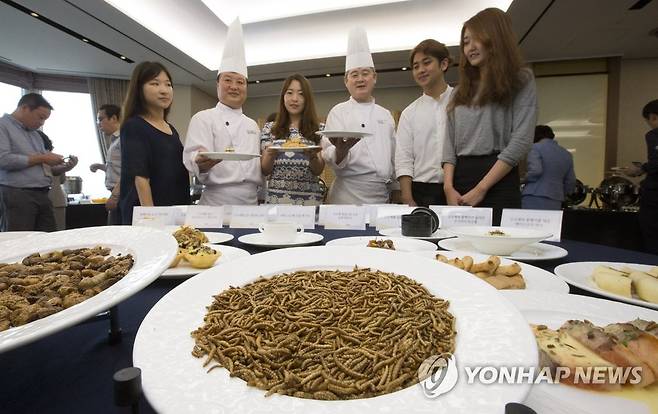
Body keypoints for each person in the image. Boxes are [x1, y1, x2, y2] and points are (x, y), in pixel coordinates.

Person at [442, 8, 537, 225]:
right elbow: (448, 145)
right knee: (455, 249)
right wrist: (448, 187)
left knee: (499, 249)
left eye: (477, 39)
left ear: (495, 38)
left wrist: (482, 187)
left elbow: (521, 140)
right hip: (459, 180)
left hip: (498, 179)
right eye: (466, 42)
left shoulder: (521, 79)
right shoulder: (458, 92)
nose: (470, 47)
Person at [183, 18, 262, 206]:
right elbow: (193, 159)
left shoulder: (252, 124)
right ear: (217, 84)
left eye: (240, 82)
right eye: (228, 80)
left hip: (251, 203)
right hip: (216, 202)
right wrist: (200, 163)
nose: (234, 86)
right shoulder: (203, 118)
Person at [320, 27, 396, 205]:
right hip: (347, 195)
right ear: (346, 81)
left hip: (381, 195)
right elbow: (327, 151)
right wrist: (341, 151)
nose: (360, 79)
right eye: (354, 75)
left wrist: (397, 189)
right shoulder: (338, 111)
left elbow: (395, 156)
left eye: (365, 73)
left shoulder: (385, 115)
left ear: (374, 77)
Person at [119, 61, 191, 225]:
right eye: (155, 83)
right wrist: (152, 221)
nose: (164, 90)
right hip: (151, 216)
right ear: (139, 88)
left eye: (168, 84)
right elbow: (140, 178)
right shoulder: (134, 125)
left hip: (173, 212)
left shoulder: (170, 128)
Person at [395, 39, 453, 207]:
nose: (421, 70)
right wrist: (407, 198)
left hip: (459, 187)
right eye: (416, 66)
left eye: (426, 63)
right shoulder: (409, 113)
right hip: (421, 191)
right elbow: (403, 159)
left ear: (443, 64)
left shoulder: (462, 102)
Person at [0, 93, 70, 231]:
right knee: (20, 241)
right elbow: (3, 159)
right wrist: (42, 158)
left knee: (48, 240)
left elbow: (43, 168)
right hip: (17, 193)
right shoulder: (3, 126)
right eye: (40, 117)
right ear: (24, 108)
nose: (42, 123)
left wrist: (63, 167)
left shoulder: (35, 134)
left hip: (42, 194)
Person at [260, 74, 325, 205]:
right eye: (289, 93)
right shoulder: (270, 128)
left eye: (301, 94)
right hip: (276, 201)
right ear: (283, 97)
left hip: (308, 203)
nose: (294, 99)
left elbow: (318, 170)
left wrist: (312, 156)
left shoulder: (319, 129)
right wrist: (270, 154)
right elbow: (265, 170)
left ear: (307, 99)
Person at [623, 99, 658, 254]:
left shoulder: (654, 135)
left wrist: (639, 169)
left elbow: (656, 163)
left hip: (655, 196)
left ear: (653, 117)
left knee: (651, 237)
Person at [521, 125, 576, 210]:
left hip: (534, 194)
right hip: (556, 198)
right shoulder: (566, 154)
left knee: (531, 222)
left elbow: (536, 171)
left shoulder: (535, 148)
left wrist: (523, 179)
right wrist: (562, 193)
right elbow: (571, 181)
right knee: (549, 223)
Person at [89, 104, 122, 224]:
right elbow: (117, 167)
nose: (98, 124)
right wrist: (100, 166)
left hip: (121, 194)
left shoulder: (124, 138)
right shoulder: (115, 140)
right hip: (117, 192)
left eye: (100, 119)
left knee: (117, 232)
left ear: (113, 118)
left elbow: (129, 170)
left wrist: (114, 197)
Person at [38, 130, 78, 230]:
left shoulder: (38, 157)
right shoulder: (53, 158)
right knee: (57, 232)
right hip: (56, 199)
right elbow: (62, 180)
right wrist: (65, 168)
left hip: (53, 199)